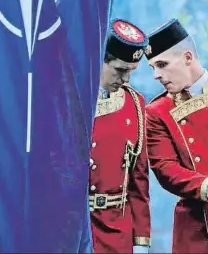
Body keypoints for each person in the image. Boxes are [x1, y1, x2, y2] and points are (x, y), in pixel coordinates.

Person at [144, 19, 208, 253]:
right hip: (198, 231)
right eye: (153, 68)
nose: (156, 75)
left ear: (188, 58)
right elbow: (164, 167)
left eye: (162, 64)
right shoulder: (157, 112)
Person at [89, 19, 151, 254]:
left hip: (116, 233)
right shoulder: (65, 98)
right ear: (98, 59)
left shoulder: (135, 104)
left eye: (131, 71)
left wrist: (141, 240)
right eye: (120, 70)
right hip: (70, 229)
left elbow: (139, 180)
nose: (125, 80)